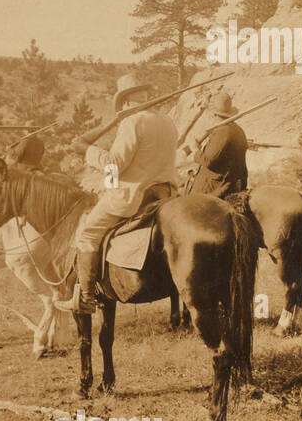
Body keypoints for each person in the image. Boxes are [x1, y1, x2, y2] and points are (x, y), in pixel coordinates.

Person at [55, 74, 177, 313]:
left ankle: (87, 297)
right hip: (165, 194)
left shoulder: (132, 122)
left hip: (134, 196)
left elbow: (114, 166)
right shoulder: (167, 121)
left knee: (88, 233)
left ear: (125, 100)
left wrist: (87, 150)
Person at [183, 91, 248, 198]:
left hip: (216, 187)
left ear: (213, 114)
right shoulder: (237, 129)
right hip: (231, 183)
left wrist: (195, 149)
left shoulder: (222, 132)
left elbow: (208, 161)